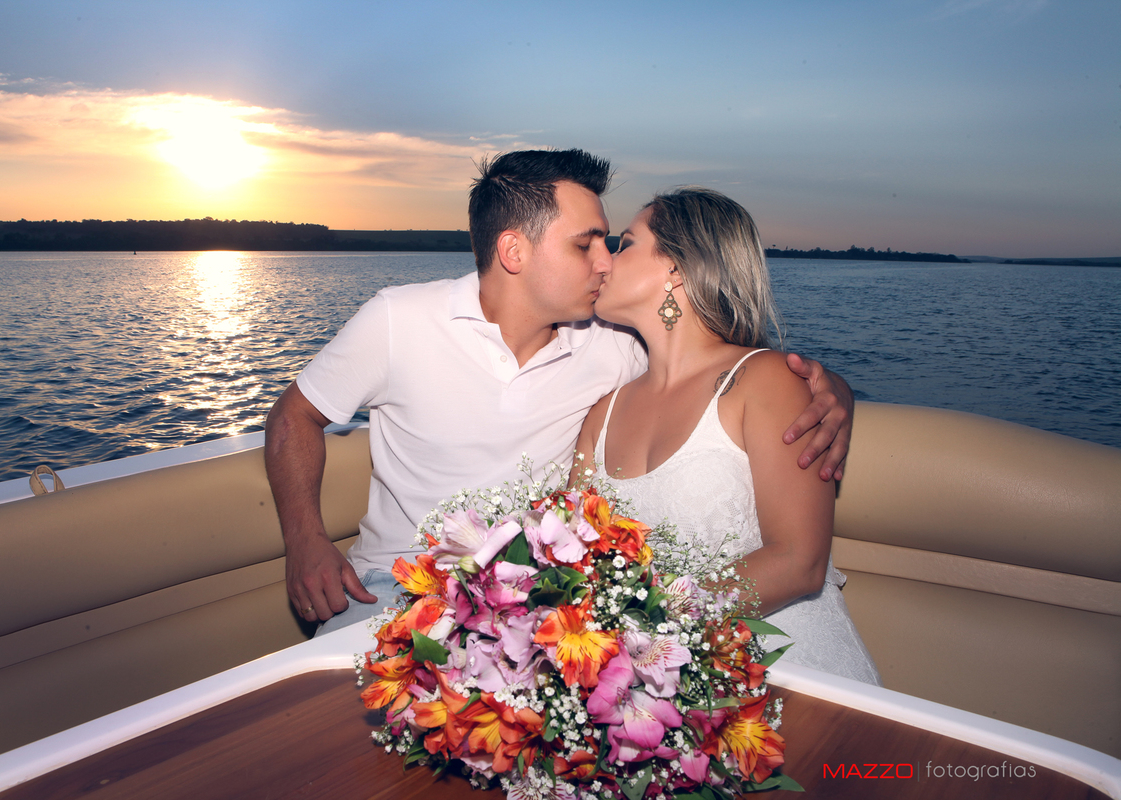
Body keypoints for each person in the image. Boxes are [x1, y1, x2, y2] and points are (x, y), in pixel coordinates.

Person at [264, 150, 855, 633]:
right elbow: (293, 416)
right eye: (585, 244)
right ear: (514, 251)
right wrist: (307, 541)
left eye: (613, 243)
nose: (604, 263)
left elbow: (716, 366)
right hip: (390, 587)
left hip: (524, 609)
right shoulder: (399, 319)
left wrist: (833, 393)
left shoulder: (614, 345)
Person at [574, 187, 881, 684]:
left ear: (677, 266)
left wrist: (646, 626)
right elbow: (575, 555)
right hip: (650, 682)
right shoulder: (601, 416)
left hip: (788, 670)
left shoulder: (766, 380)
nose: (606, 260)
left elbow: (798, 561)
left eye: (625, 244)